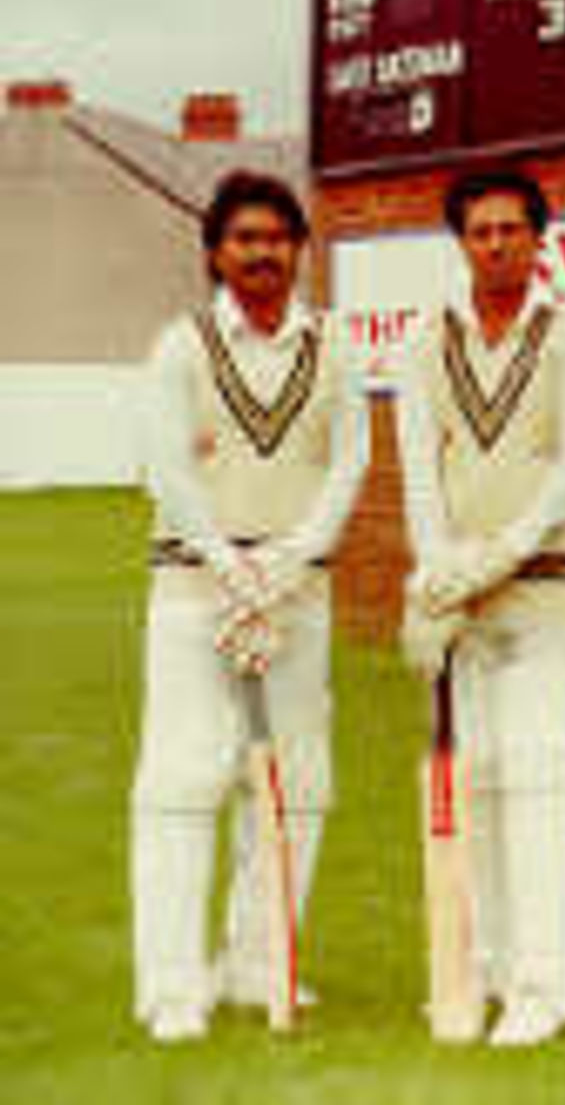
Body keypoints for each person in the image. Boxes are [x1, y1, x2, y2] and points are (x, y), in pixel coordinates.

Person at [130, 169, 369, 1042]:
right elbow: (170, 472)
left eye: (277, 238)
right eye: (245, 239)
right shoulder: (179, 347)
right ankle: (172, 984)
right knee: (183, 782)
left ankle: (260, 963)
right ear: (215, 253)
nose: (263, 253)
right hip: (197, 591)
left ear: (301, 250)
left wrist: (289, 563)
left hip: (298, 591)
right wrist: (234, 571)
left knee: (297, 784)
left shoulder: (334, 347)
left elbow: (348, 464)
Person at [395, 167, 565, 1048]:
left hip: (554, 583)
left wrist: (499, 554)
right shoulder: (426, 337)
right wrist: (439, 573)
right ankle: (474, 971)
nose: (495, 244)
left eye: (511, 230)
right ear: (462, 241)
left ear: (538, 238)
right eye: (480, 231)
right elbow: (419, 460)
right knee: (475, 779)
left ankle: (543, 988)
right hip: (459, 592)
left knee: (540, 770)